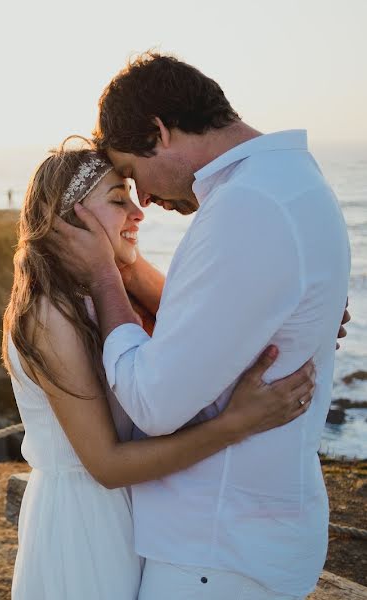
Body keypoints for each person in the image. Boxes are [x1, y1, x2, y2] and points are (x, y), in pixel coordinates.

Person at [48, 53, 351, 599]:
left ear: (158, 132)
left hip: (216, 547)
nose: (146, 201)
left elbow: (153, 402)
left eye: (134, 175)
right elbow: (213, 317)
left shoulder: (247, 206)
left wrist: (103, 275)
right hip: (235, 536)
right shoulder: (288, 182)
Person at [4, 139, 317, 599]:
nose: (139, 211)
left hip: (136, 516)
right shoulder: (50, 316)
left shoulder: (109, 299)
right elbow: (106, 466)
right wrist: (237, 425)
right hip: (85, 526)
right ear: (70, 218)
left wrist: (292, 313)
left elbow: (211, 333)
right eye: (117, 200)